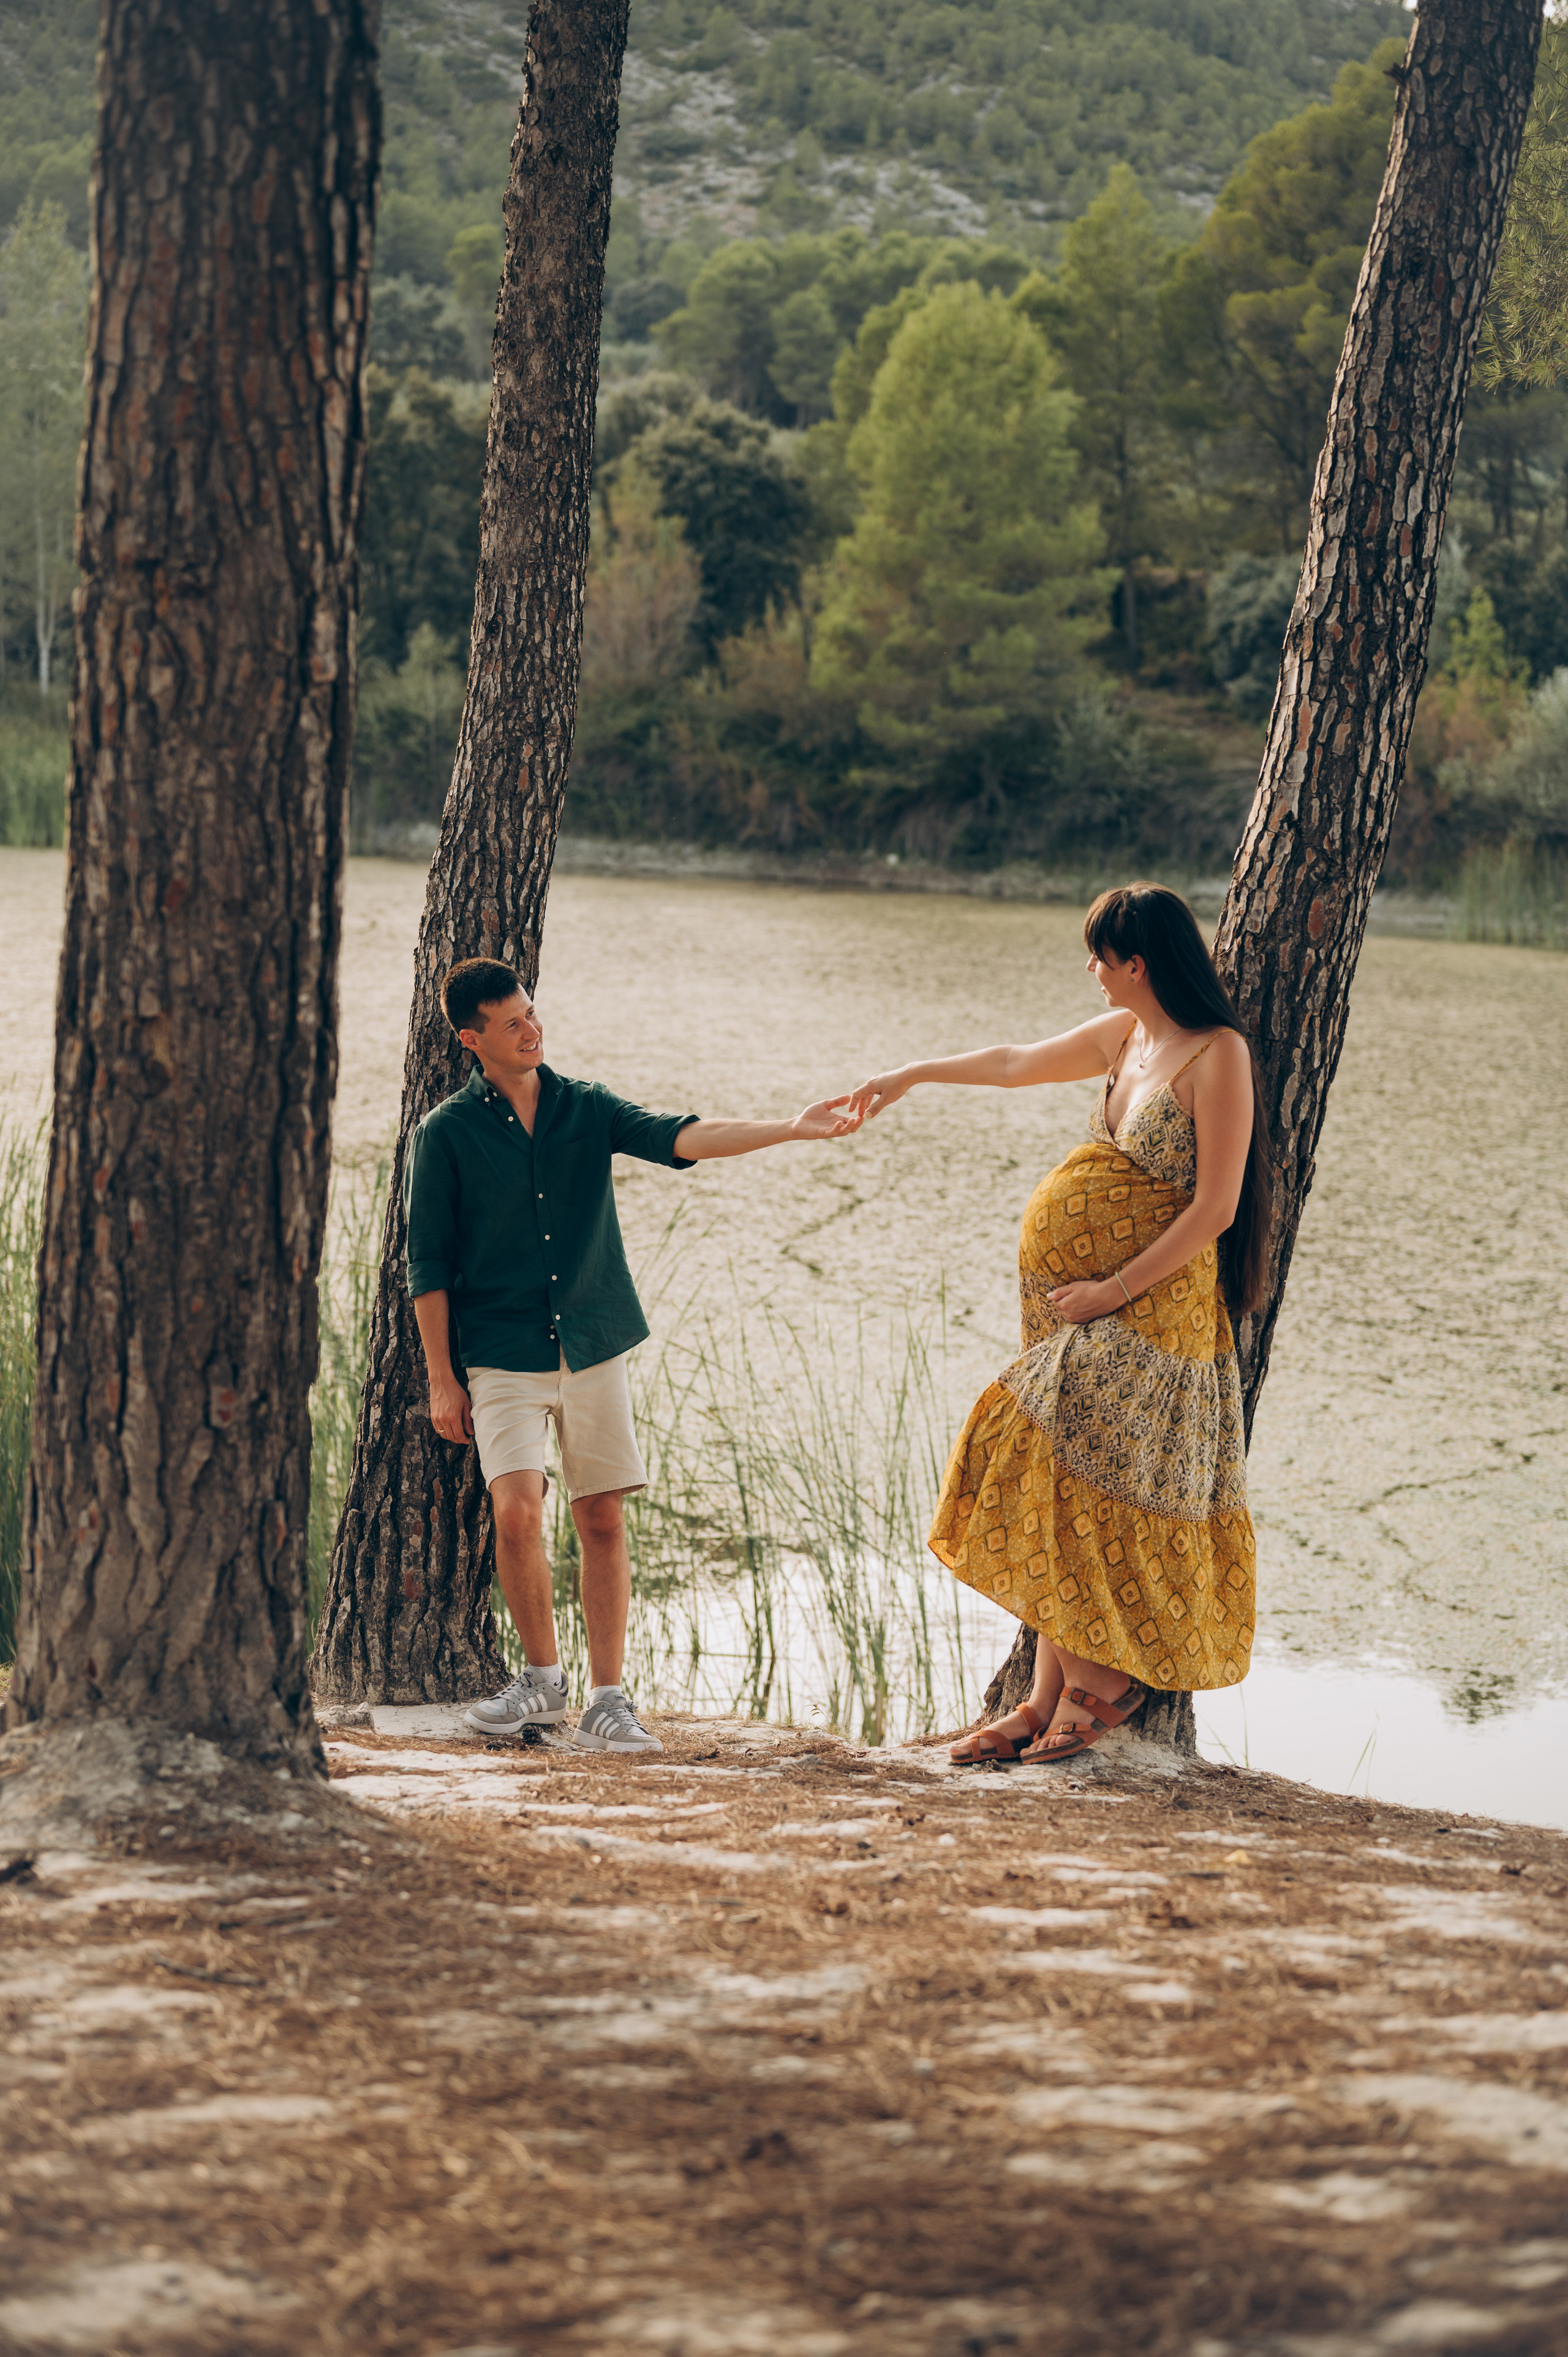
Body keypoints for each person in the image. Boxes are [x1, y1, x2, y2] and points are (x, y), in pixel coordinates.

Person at [842, 883, 1272, 1766]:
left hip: (1156, 1307)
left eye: (1099, 958)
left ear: (1137, 964)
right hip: (1074, 1300)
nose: (1090, 970)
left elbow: (1217, 1207)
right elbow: (1013, 1062)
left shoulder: (1216, 1053)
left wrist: (1115, 1287)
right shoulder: (1127, 1036)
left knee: (1061, 1458)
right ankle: (1043, 1699)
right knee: (1060, 1476)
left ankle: (1100, 1688)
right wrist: (909, 1075)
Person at [405, 956, 853, 1755]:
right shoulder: (445, 1133)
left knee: (603, 1516)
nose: (532, 1029)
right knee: (517, 1510)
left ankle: (608, 1702)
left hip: (593, 1339)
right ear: (473, 1039)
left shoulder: (585, 1106)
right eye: (511, 1023)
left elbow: (680, 1135)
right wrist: (443, 1377)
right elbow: (428, 1265)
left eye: (531, 1012)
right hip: (501, 1352)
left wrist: (791, 1126)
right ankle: (542, 1680)